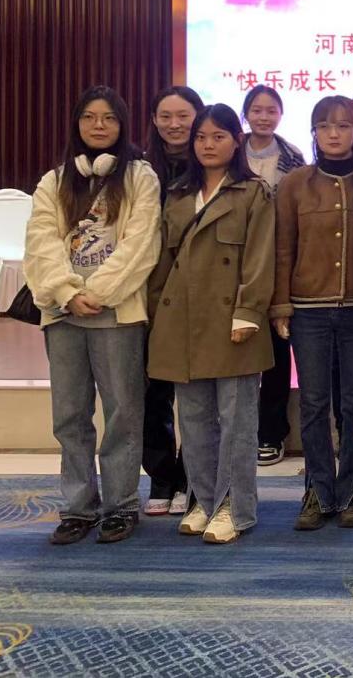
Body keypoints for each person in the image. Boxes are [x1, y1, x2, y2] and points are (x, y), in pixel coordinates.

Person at [25, 86, 162, 545]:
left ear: (122, 125)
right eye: (89, 117)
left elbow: (141, 244)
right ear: (77, 124)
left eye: (108, 118)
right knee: (69, 415)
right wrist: (67, 293)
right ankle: (78, 507)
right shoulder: (55, 180)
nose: (98, 125)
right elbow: (40, 242)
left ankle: (121, 505)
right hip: (63, 313)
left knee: (123, 412)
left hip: (117, 313)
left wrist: (97, 292)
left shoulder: (140, 176)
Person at [147, 104, 275, 545]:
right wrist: (155, 315)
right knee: (195, 420)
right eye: (201, 137)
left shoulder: (253, 193)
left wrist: (249, 312)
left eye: (218, 136)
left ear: (236, 142)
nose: (207, 144)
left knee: (236, 422)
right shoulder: (179, 193)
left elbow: (260, 258)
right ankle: (203, 500)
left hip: (233, 321)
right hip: (181, 320)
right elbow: (163, 261)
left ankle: (235, 508)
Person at [272, 96, 353, 532]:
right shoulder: (295, 183)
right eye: (325, 126)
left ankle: (352, 490)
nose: (334, 134)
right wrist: (280, 303)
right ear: (313, 132)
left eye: (343, 126)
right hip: (308, 309)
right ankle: (317, 489)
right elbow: (282, 248)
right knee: (313, 403)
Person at [140, 85, 203, 516]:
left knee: (199, 396)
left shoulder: (211, 168)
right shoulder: (139, 169)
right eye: (166, 116)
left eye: (184, 116)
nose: (175, 124)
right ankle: (162, 476)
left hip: (198, 296)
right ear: (154, 120)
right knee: (152, 392)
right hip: (147, 293)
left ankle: (192, 476)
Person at [242, 85, 306, 469]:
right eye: (257, 110)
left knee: (277, 355)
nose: (264, 117)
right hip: (235, 262)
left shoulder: (295, 157)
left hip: (280, 261)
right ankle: (236, 433)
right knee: (237, 354)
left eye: (271, 111)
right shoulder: (229, 150)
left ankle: (271, 433)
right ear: (246, 113)